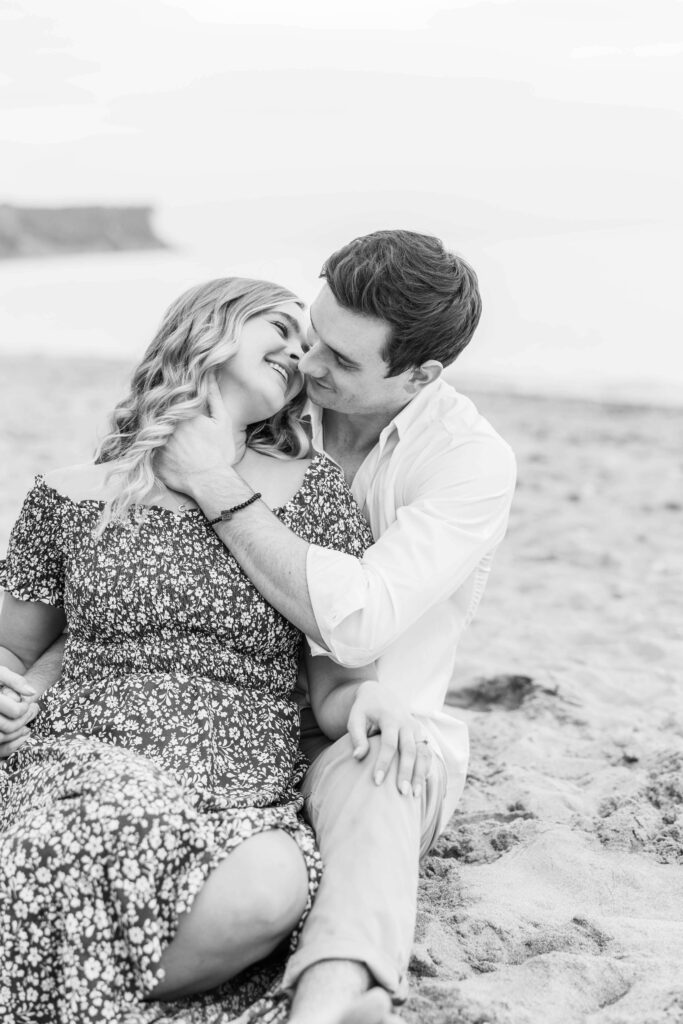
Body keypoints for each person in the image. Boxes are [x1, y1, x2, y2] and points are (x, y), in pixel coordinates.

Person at [0, 277, 428, 1024]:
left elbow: (337, 680)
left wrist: (374, 699)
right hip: (88, 760)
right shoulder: (66, 496)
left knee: (273, 883)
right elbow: (11, 648)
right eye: (281, 326)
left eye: (307, 343)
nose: (299, 350)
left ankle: (44, 981)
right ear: (207, 328)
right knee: (99, 822)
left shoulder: (318, 497)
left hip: (240, 787)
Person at [156, 229, 517, 1024]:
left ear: (419, 375)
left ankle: (334, 999)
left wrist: (219, 488)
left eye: (342, 362)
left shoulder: (467, 463)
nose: (309, 367)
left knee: (385, 773)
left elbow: (355, 623)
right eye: (313, 337)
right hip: (204, 712)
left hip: (360, 721)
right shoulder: (263, 399)